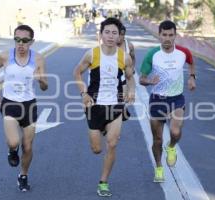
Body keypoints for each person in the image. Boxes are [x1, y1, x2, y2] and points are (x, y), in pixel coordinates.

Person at [73, 17, 135, 197]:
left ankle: (103, 182)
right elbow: (77, 72)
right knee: (96, 149)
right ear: (101, 35)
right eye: (106, 32)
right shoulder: (92, 54)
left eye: (114, 33)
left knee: (112, 144)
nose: (110, 36)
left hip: (116, 104)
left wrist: (131, 91)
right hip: (94, 105)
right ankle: (105, 130)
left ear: (119, 36)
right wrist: (83, 93)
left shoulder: (124, 57)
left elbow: (130, 77)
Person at [0, 25, 48, 191]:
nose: (20, 44)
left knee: (28, 147)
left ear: (32, 42)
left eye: (24, 40)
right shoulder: (4, 56)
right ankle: (12, 150)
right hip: (9, 104)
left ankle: (23, 175)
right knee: (14, 141)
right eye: (17, 39)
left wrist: (41, 80)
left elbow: (45, 86)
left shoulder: (38, 59)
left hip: (29, 105)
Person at [139, 20, 196, 182]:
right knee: (157, 140)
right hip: (157, 100)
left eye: (171, 35)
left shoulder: (183, 52)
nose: (167, 38)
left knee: (175, 132)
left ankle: (171, 147)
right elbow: (141, 79)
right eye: (164, 35)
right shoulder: (153, 54)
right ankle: (158, 168)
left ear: (175, 35)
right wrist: (150, 82)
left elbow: (191, 62)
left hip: (177, 99)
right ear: (159, 35)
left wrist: (192, 77)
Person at [117, 24, 136, 120]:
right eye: (118, 34)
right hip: (112, 79)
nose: (120, 37)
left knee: (121, 101)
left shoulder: (129, 46)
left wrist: (132, 68)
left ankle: (120, 113)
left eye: (122, 34)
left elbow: (133, 57)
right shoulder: (108, 45)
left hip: (125, 78)